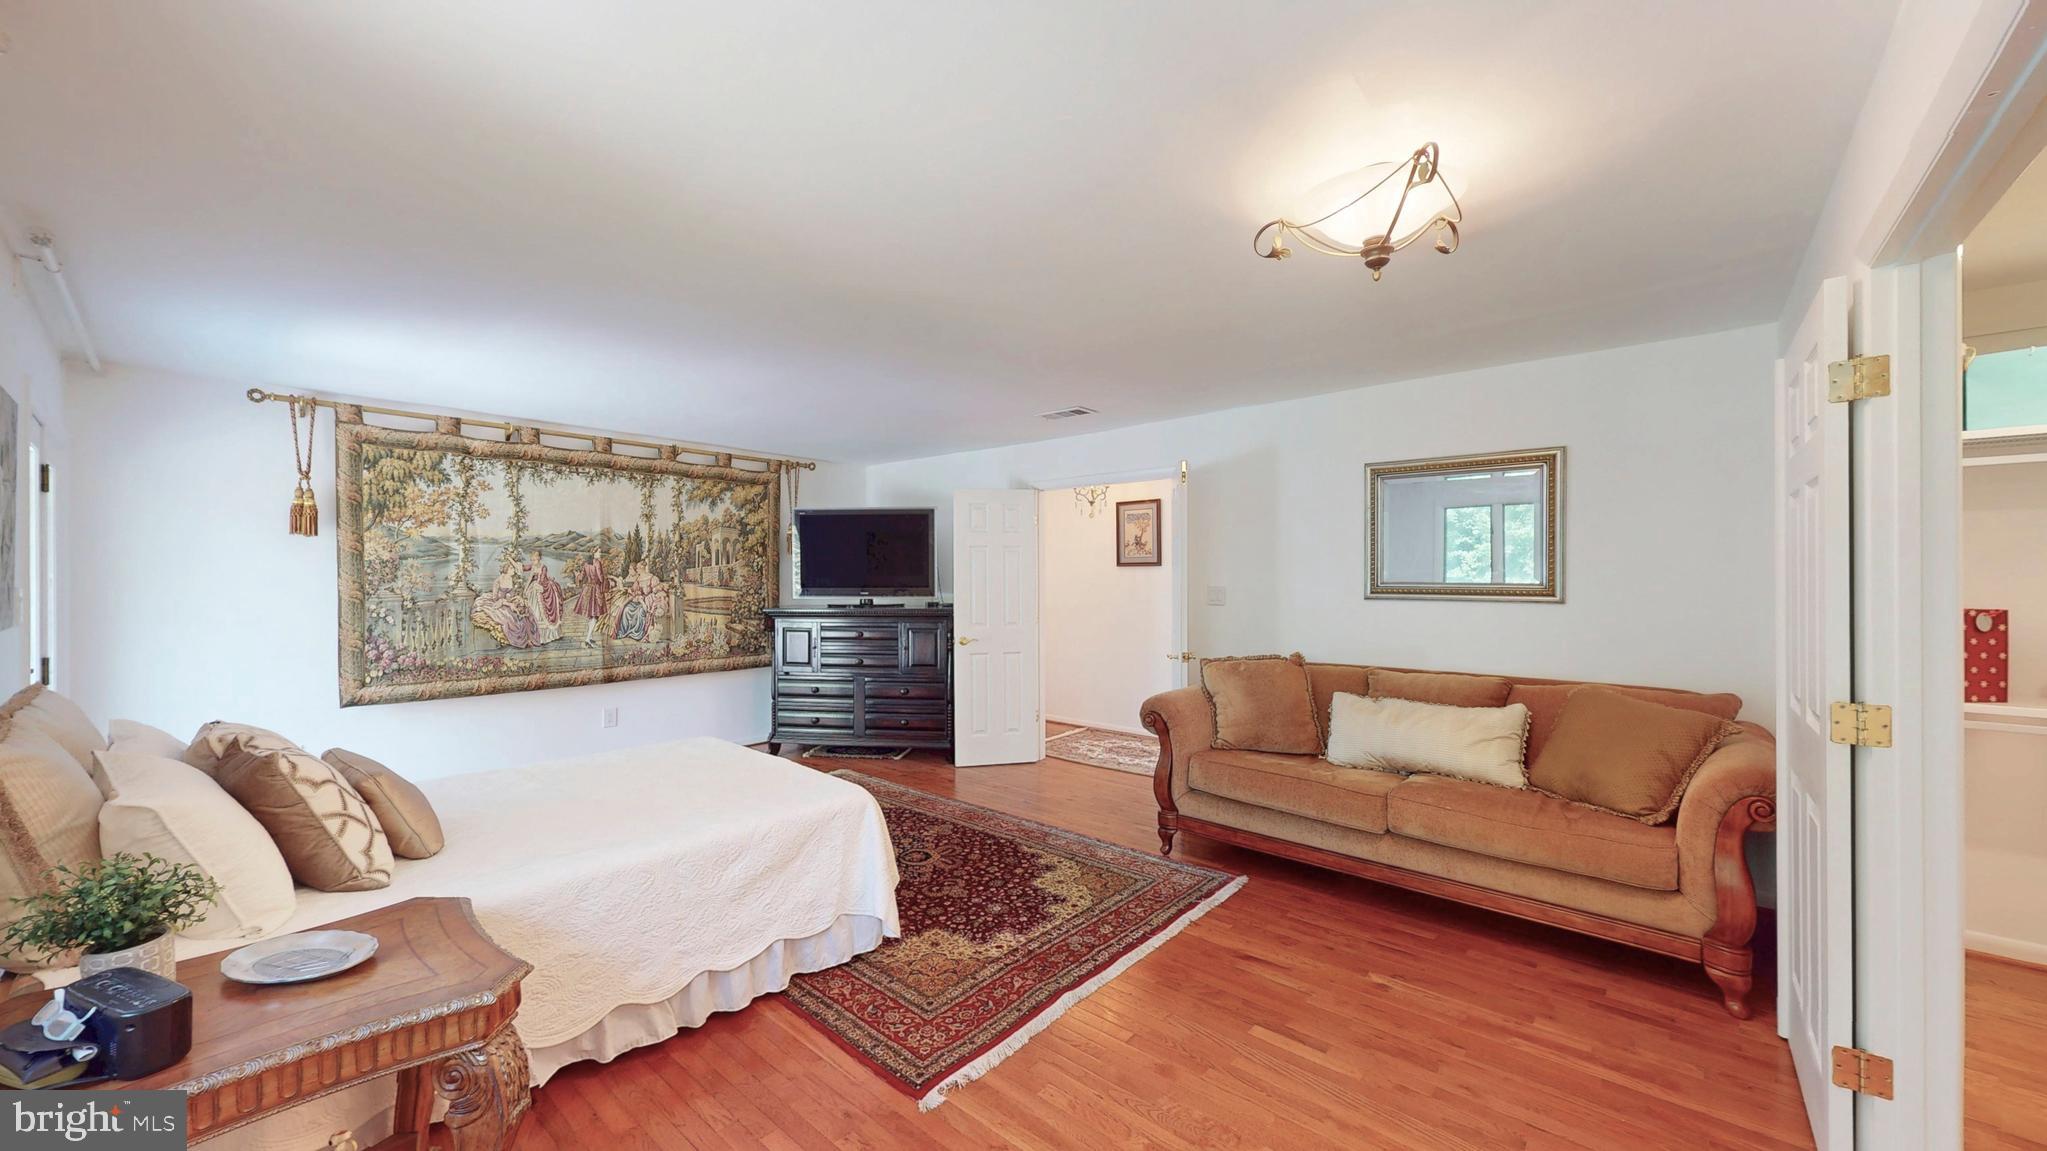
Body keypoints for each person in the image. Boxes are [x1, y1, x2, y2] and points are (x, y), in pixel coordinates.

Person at [472, 556, 537, 649]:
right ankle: (520, 641)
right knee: (510, 618)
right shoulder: (498, 581)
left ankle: (529, 639)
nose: (514, 570)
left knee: (527, 611)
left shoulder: (511, 580)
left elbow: (512, 595)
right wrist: (509, 604)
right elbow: (495, 599)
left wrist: (518, 599)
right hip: (500, 603)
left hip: (509, 602)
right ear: (506, 570)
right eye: (511, 568)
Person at [523, 549, 564, 645]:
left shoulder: (543, 567)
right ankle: (534, 636)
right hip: (534, 588)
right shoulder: (533, 566)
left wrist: (538, 586)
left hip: (542, 587)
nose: (533, 561)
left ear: (539, 558)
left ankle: (545, 637)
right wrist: (525, 589)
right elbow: (528, 576)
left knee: (541, 612)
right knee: (532, 611)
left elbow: (542, 579)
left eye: (535, 558)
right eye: (532, 559)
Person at [575, 548, 608, 647]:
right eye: (598, 552)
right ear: (593, 553)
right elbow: (601, 578)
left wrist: (577, 575)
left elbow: (581, 577)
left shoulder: (586, 563)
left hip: (587, 589)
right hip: (595, 590)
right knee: (595, 615)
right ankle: (587, 639)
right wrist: (605, 578)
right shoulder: (597, 563)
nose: (600, 553)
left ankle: (590, 637)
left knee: (592, 615)